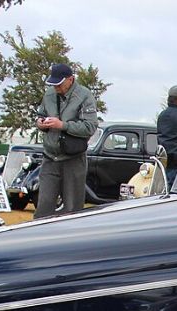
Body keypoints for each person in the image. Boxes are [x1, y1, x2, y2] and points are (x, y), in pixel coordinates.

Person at [33, 63, 100, 218]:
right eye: (53, 84)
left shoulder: (85, 96)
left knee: (72, 209)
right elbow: (40, 114)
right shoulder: (49, 95)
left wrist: (62, 125)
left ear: (71, 79)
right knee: (43, 206)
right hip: (50, 157)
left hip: (73, 158)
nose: (55, 87)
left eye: (59, 84)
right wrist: (40, 123)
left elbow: (90, 127)